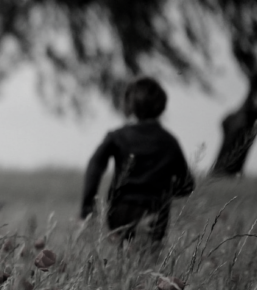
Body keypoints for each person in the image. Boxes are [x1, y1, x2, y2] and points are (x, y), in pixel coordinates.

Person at [80, 77, 195, 250]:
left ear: (130, 105)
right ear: (162, 106)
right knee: (149, 261)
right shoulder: (169, 142)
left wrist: (88, 207)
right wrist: (164, 192)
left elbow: (94, 166)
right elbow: (187, 185)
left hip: (120, 211)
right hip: (155, 212)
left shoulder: (118, 136)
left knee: (121, 259)